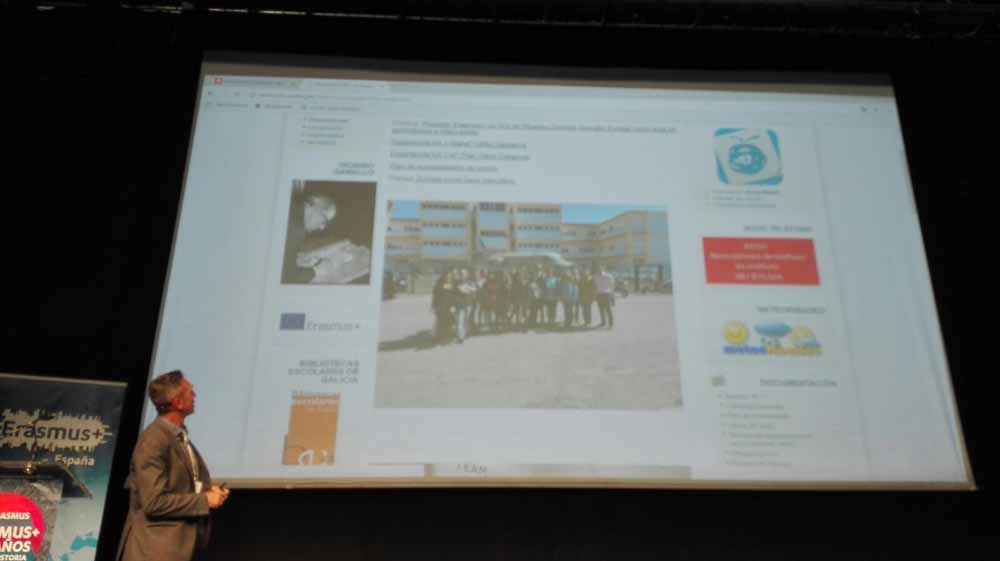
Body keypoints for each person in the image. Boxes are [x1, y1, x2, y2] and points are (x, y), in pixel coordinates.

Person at [116, 371, 230, 561]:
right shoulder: (153, 441)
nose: (195, 395)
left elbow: (180, 486)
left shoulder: (176, 436)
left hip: (174, 549)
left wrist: (209, 492)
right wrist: (204, 500)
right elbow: (154, 502)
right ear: (178, 403)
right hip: (153, 552)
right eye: (190, 392)